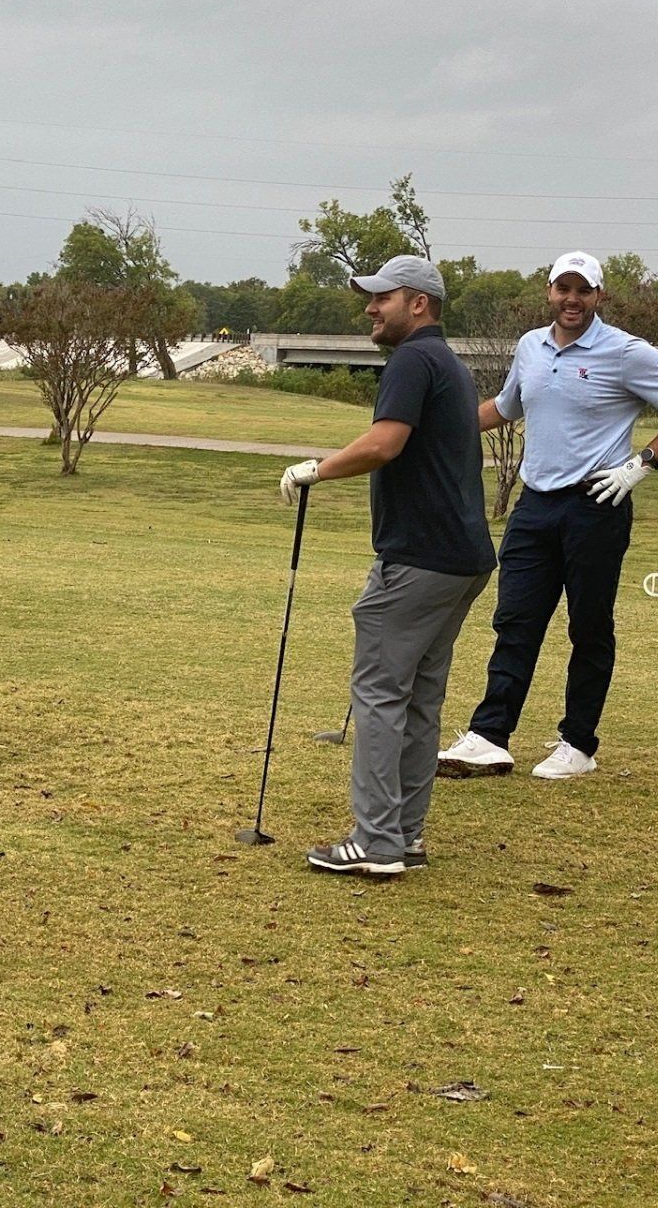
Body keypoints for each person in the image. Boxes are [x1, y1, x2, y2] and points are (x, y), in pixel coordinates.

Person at [438, 251, 658, 782]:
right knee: (515, 621)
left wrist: (644, 463)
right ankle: (490, 735)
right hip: (535, 504)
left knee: (588, 626)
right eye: (562, 288)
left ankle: (578, 743)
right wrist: (437, 429)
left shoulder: (624, 352)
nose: (572, 299)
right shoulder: (530, 347)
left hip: (597, 502)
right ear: (549, 291)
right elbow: (505, 406)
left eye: (582, 290)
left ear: (598, 296)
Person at [278, 255, 496, 876]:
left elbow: (384, 443)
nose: (371, 308)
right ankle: (403, 835)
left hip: (419, 561)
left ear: (418, 302)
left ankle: (375, 843)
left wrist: (314, 469)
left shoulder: (411, 361)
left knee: (379, 695)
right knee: (419, 698)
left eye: (383, 298)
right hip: (464, 560)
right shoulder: (448, 363)